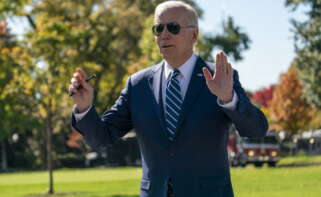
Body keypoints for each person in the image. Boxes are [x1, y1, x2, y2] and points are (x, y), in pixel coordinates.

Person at [69, 1, 268, 197]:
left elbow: (256, 129)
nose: (164, 34)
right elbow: (101, 137)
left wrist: (228, 98)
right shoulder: (137, 84)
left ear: (194, 35)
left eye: (173, 27)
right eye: (158, 28)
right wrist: (85, 107)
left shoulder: (221, 77)